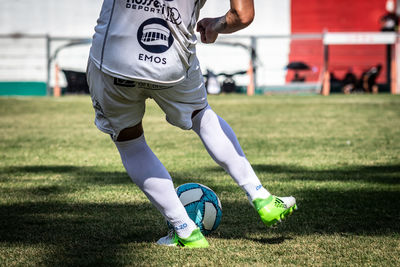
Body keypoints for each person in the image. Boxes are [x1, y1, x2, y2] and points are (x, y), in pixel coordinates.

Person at [86, 0, 297, 248]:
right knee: (202, 117)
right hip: (171, 58)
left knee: (130, 142)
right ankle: (261, 196)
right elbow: (242, 15)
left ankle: (185, 230)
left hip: (114, 60)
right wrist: (216, 25)